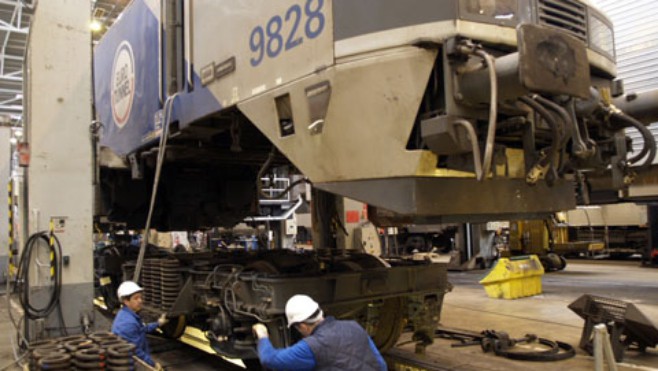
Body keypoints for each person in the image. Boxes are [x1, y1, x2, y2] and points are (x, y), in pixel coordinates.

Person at [252, 295, 387, 370]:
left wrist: (262, 335)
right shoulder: (354, 326)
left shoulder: (312, 346)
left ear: (303, 326)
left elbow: (269, 360)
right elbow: (380, 363)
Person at [111, 281, 169, 370]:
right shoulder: (127, 323)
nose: (140, 301)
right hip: (129, 365)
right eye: (136, 298)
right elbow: (137, 352)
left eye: (140, 297)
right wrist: (153, 365)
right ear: (126, 301)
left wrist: (158, 323)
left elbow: (142, 329)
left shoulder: (127, 314)